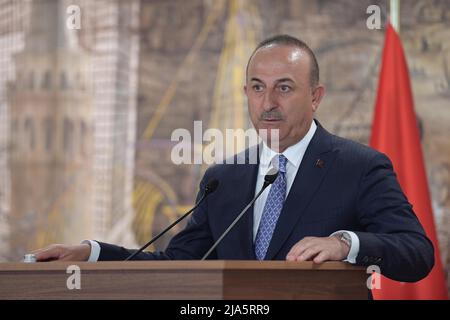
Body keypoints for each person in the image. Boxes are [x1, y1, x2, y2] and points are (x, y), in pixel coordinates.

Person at [33, 34, 434, 283]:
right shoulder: (224, 177)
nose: (268, 103)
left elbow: (417, 253)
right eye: (257, 88)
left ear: (316, 96)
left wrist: (345, 244)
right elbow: (180, 263)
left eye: (284, 88)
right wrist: (93, 253)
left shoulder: (359, 166)